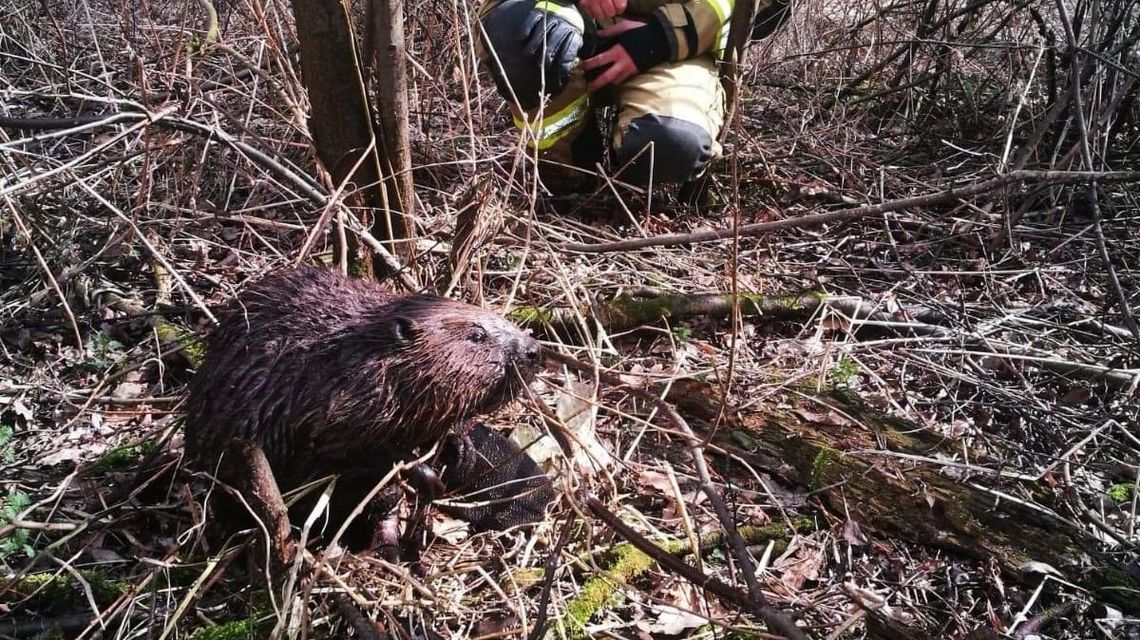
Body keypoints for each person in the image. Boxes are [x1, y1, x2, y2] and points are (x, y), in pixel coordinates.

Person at [476, 0, 790, 191]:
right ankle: (570, 165)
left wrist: (662, 36)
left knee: (669, 144)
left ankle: (624, 167)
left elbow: (763, 8)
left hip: (675, 46)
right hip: (567, 14)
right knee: (520, 37)